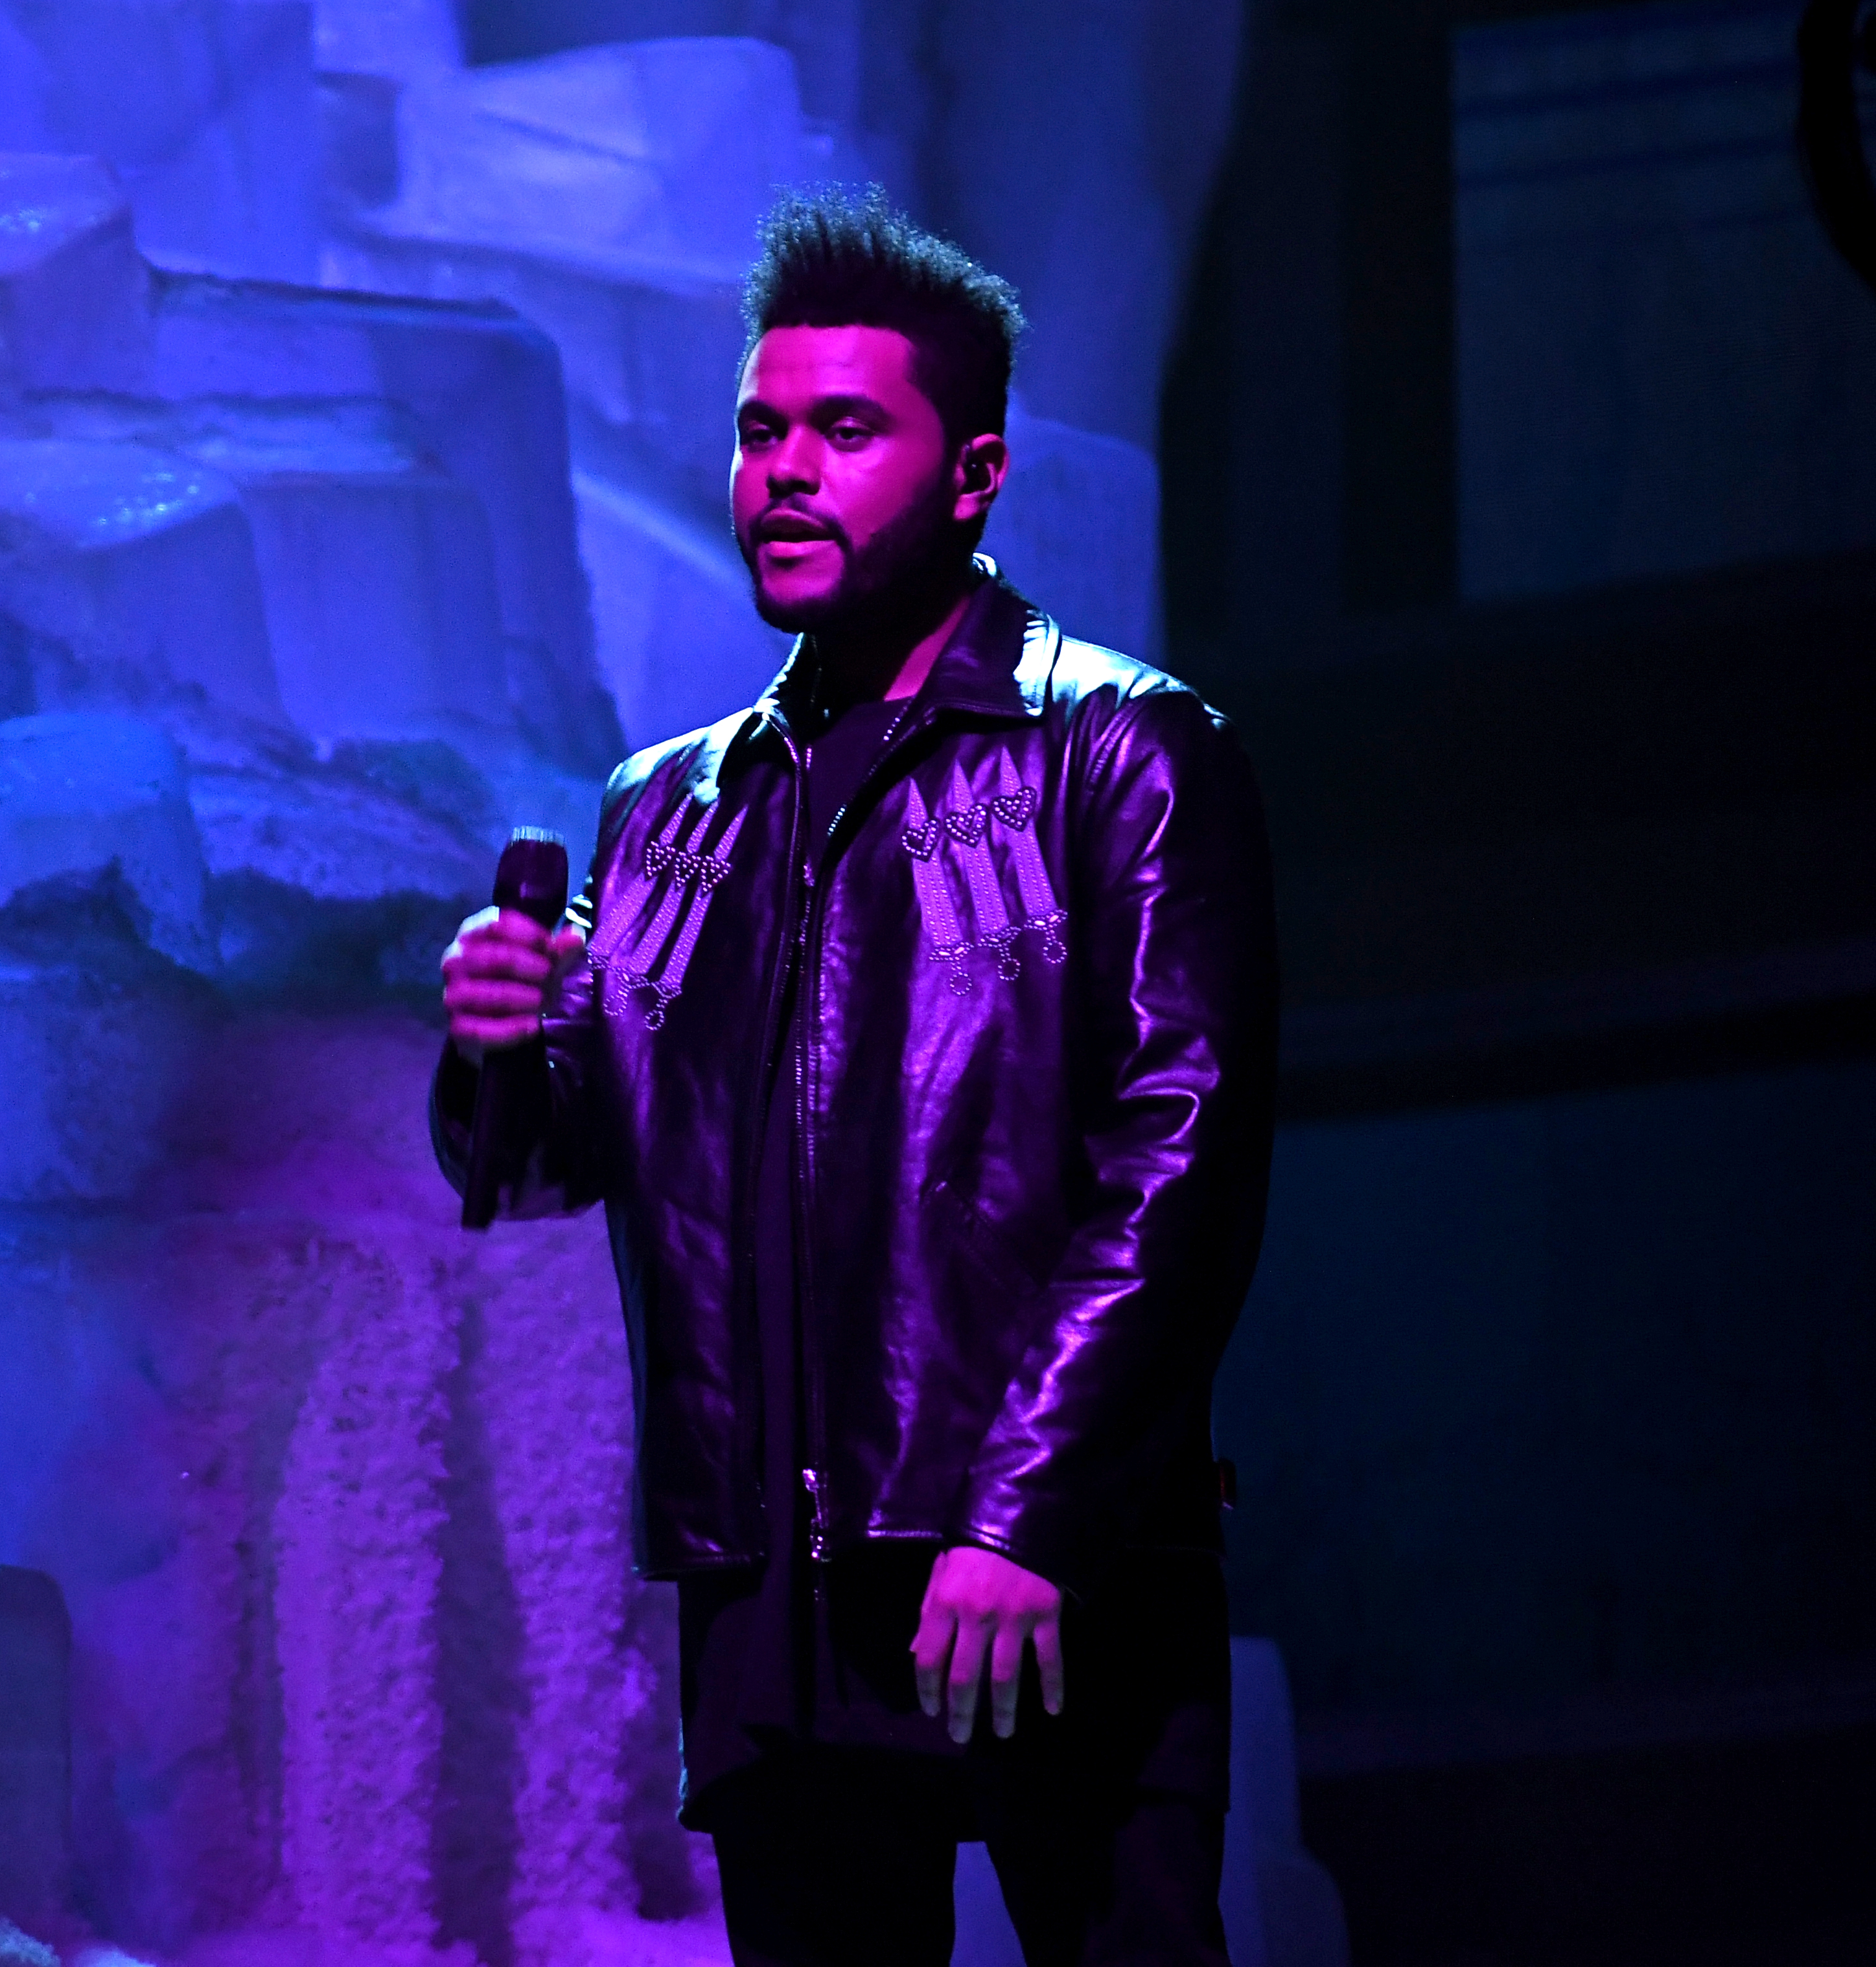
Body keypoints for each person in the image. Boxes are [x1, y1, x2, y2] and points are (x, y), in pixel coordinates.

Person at [434, 189, 1277, 1967]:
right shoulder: (670, 810)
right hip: (773, 1591)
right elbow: (571, 1151)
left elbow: (1179, 1168)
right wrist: (499, 1042)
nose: (785, 474)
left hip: (1051, 1559)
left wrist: (1025, 1513)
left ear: (974, 476)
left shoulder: (1120, 751)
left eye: (843, 431)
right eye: (761, 432)